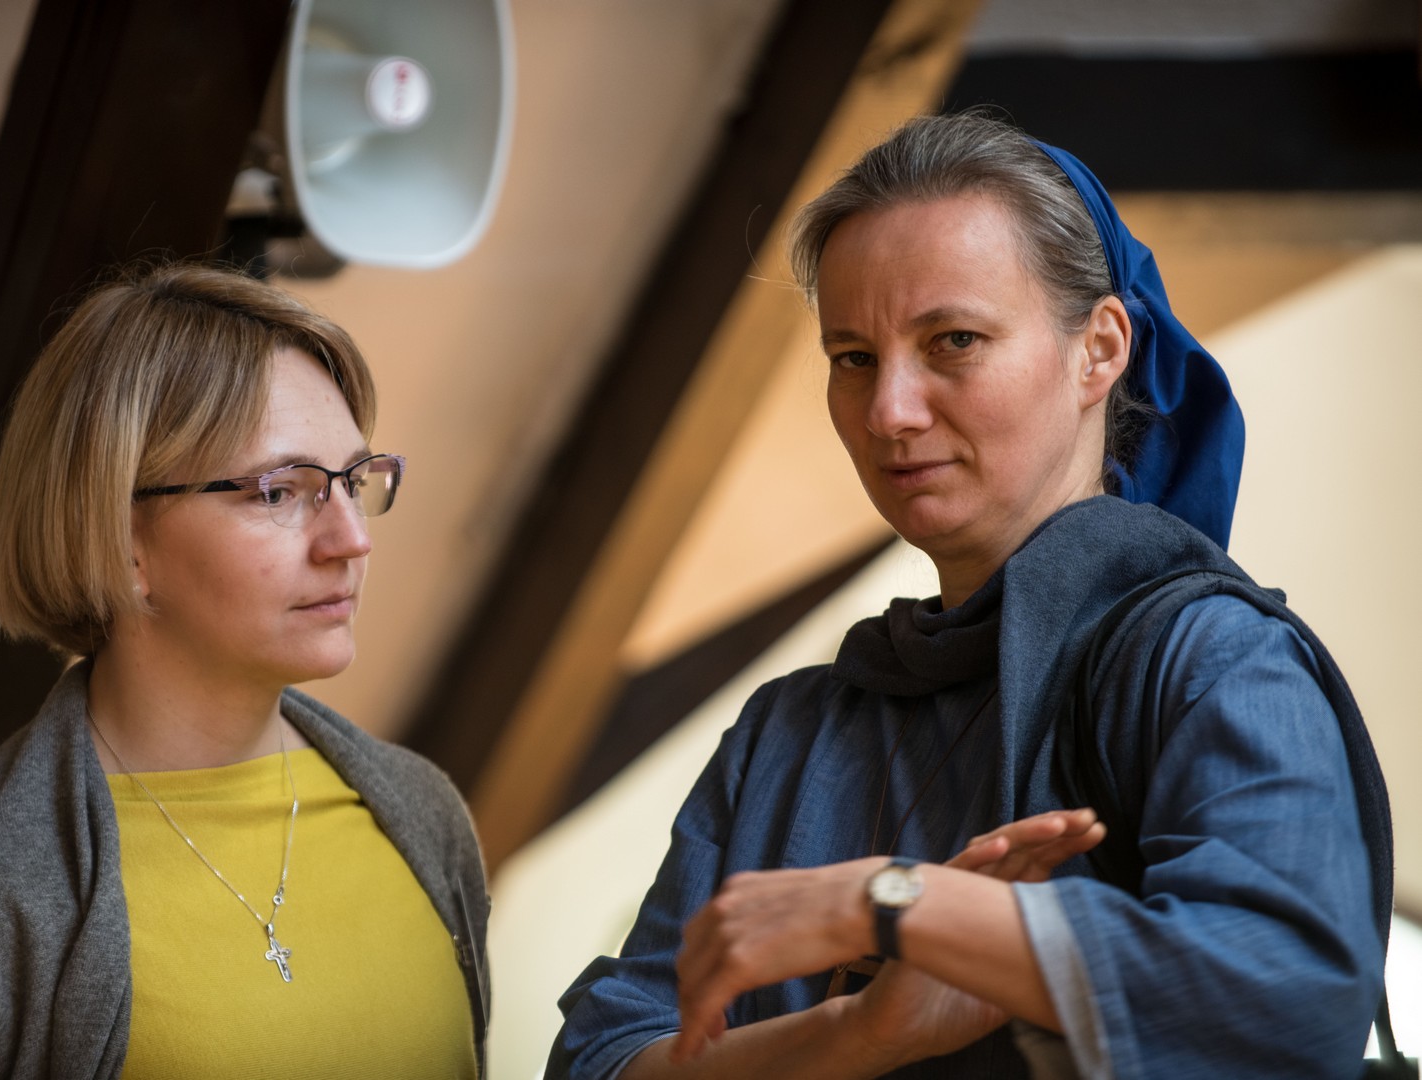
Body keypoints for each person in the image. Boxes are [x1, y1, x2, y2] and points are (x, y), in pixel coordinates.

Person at [546, 112, 1391, 1079]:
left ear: (1099, 349)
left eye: (953, 339)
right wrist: (864, 1033)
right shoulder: (789, 730)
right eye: (853, 357)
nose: (888, 411)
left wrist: (893, 904)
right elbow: (600, 1057)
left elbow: (1291, 998)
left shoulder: (1206, 659)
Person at [0, 264, 489, 1078]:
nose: (352, 539)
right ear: (123, 543)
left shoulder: (424, 815)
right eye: (280, 492)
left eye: (353, 481)